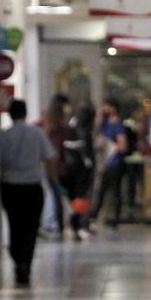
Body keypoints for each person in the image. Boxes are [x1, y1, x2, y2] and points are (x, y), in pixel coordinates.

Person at [0, 100, 60, 286]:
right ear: (25, 114)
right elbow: (49, 159)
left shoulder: (2, 136)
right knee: (31, 227)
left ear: (9, 114)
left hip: (10, 187)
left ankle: (18, 260)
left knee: (15, 224)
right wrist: (55, 183)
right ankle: (26, 264)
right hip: (32, 187)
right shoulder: (38, 133)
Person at [90, 97, 129, 229]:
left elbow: (122, 146)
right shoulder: (105, 124)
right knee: (101, 190)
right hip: (107, 163)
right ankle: (93, 217)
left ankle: (116, 219)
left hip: (115, 163)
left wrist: (109, 144)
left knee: (115, 191)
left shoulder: (118, 125)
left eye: (107, 106)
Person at [42, 95, 75, 239]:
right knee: (64, 197)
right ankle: (67, 225)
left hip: (53, 167)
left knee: (57, 198)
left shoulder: (48, 128)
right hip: (62, 167)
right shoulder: (64, 130)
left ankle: (61, 226)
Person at [62, 102, 96, 241]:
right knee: (84, 197)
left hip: (72, 170)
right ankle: (81, 224)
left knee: (75, 198)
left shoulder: (73, 128)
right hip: (83, 171)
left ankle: (76, 224)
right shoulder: (85, 132)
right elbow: (87, 154)